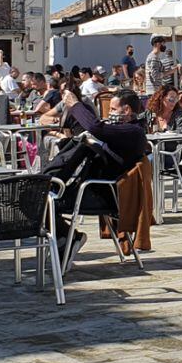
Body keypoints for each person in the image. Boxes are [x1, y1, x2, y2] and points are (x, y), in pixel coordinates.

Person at [47, 89, 148, 259]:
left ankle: (69, 238)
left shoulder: (132, 132)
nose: (109, 113)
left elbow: (95, 127)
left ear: (127, 110)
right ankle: (66, 239)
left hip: (103, 195)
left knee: (43, 204)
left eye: (113, 109)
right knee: (43, 199)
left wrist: (75, 105)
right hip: (96, 189)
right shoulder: (124, 130)